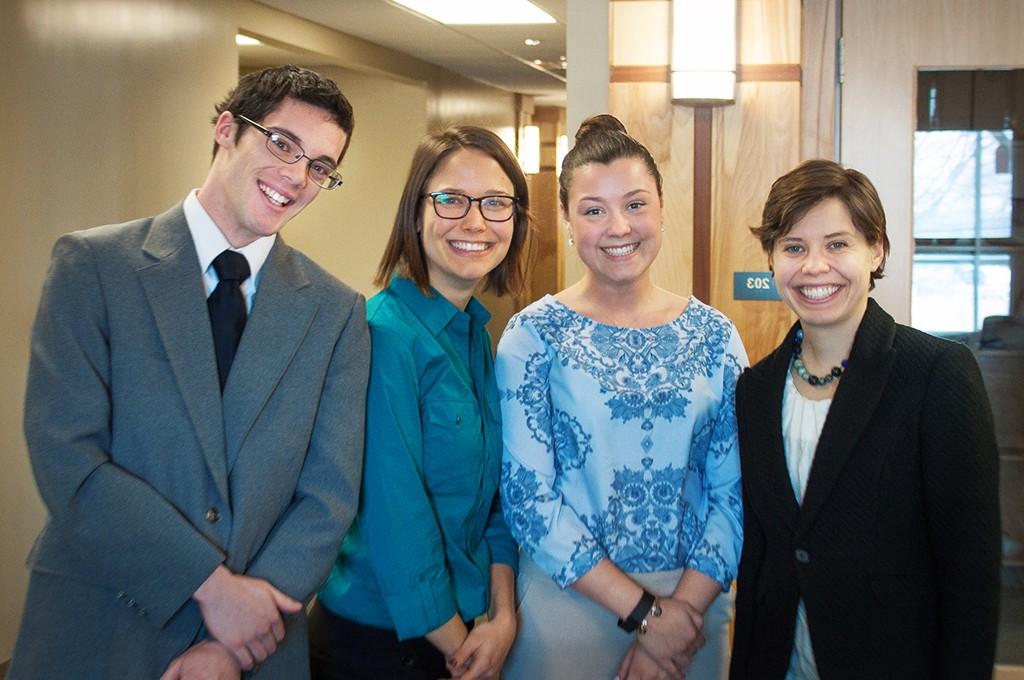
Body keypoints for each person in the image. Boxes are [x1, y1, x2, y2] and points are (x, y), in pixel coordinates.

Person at [10, 65, 370, 680]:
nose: (296, 176)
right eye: (283, 143)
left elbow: (328, 497)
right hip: (99, 625)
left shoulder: (335, 311)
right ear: (227, 129)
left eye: (319, 166)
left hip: (256, 645)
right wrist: (210, 588)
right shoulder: (94, 267)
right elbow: (66, 456)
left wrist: (235, 641)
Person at [496, 114, 747, 680]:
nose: (618, 227)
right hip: (571, 606)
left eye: (635, 204)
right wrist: (645, 616)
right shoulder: (531, 338)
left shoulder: (716, 337)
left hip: (694, 610)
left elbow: (733, 494)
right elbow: (528, 501)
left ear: (661, 207)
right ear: (567, 220)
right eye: (593, 210)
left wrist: (679, 615)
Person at [729, 159, 1001, 679]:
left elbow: (971, 579)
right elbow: (761, 561)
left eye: (837, 244)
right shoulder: (755, 390)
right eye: (793, 247)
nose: (814, 267)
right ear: (772, 259)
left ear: (876, 250)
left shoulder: (937, 375)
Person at [309, 126, 528, 680]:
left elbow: (493, 501)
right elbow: (394, 516)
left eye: (496, 203)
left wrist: (502, 619)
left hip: (469, 629)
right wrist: (464, 650)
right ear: (416, 212)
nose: (475, 221)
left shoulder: (475, 333)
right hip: (384, 646)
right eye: (452, 199)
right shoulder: (383, 334)